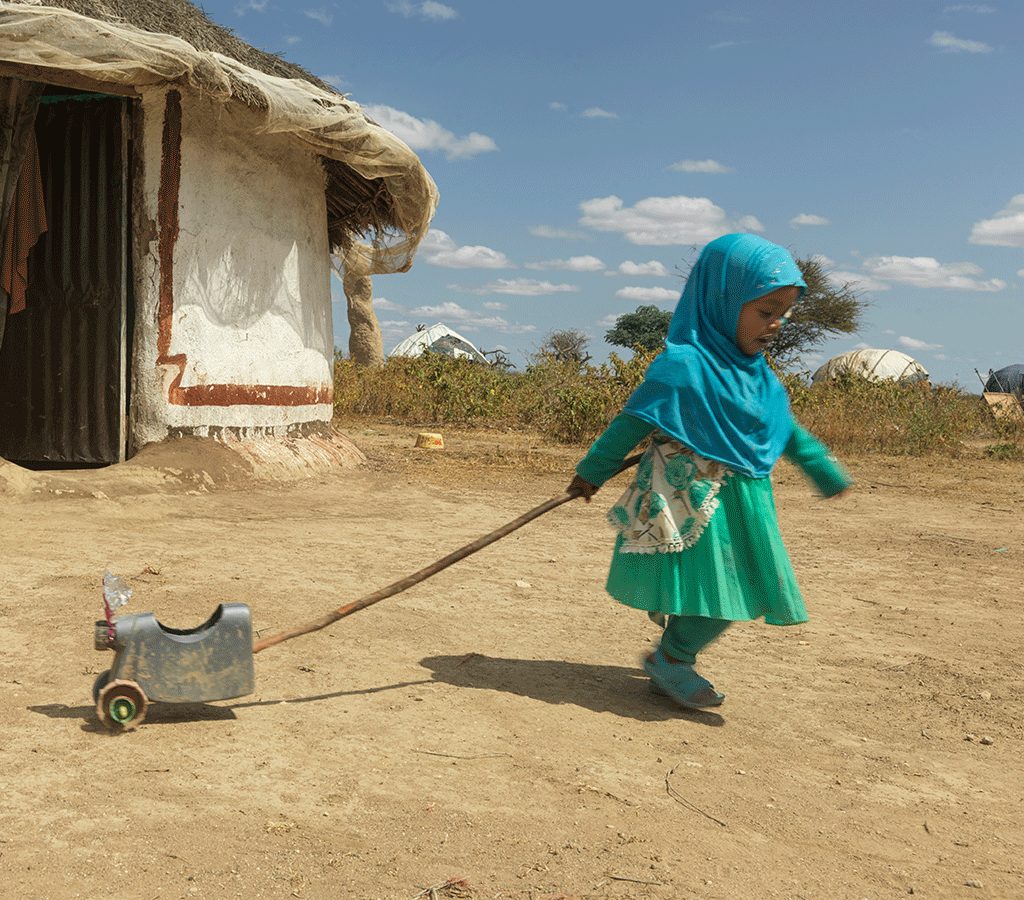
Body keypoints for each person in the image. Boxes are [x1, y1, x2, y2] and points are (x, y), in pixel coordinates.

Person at [568, 233, 851, 711]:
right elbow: (631, 422)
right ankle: (672, 660)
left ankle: (673, 660)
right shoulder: (683, 365)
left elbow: (783, 428)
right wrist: (591, 472)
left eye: (783, 313)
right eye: (765, 311)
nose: (777, 324)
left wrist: (822, 468)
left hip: (746, 502)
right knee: (736, 589)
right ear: (722, 300)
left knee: (727, 588)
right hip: (693, 504)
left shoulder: (756, 375)